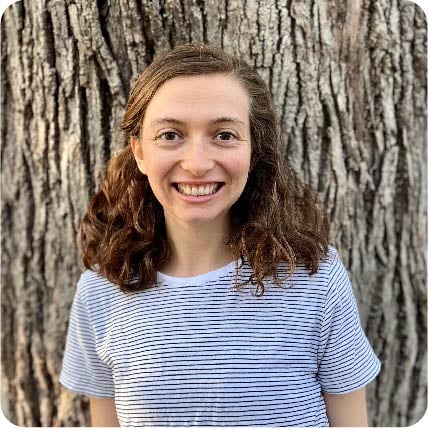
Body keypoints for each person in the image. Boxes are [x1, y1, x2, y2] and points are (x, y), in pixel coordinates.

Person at [59, 43, 381, 427]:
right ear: (139, 151)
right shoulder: (101, 292)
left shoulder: (316, 279)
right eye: (170, 135)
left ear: (253, 151)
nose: (197, 164)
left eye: (224, 135)